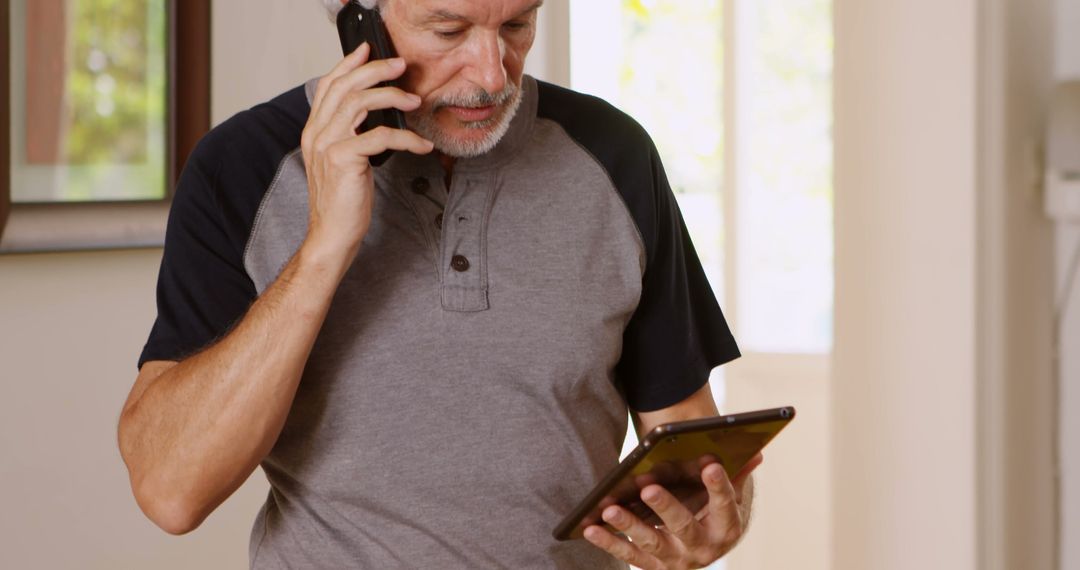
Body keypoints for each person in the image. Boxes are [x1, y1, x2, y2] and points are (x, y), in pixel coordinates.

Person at [117, 0, 759, 567]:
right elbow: (171, 491)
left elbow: (687, 442)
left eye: (517, 24)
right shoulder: (241, 167)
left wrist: (706, 524)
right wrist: (324, 247)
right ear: (358, 18)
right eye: (448, 30)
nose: (491, 74)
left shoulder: (616, 156)